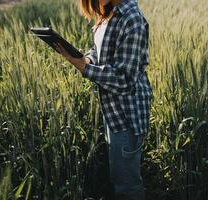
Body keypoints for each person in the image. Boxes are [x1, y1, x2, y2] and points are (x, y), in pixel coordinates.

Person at [54, 0, 152, 199]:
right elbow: (98, 50)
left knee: (127, 187)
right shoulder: (109, 12)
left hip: (127, 115)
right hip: (113, 113)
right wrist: (87, 59)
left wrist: (84, 67)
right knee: (119, 179)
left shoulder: (132, 18)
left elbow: (124, 79)